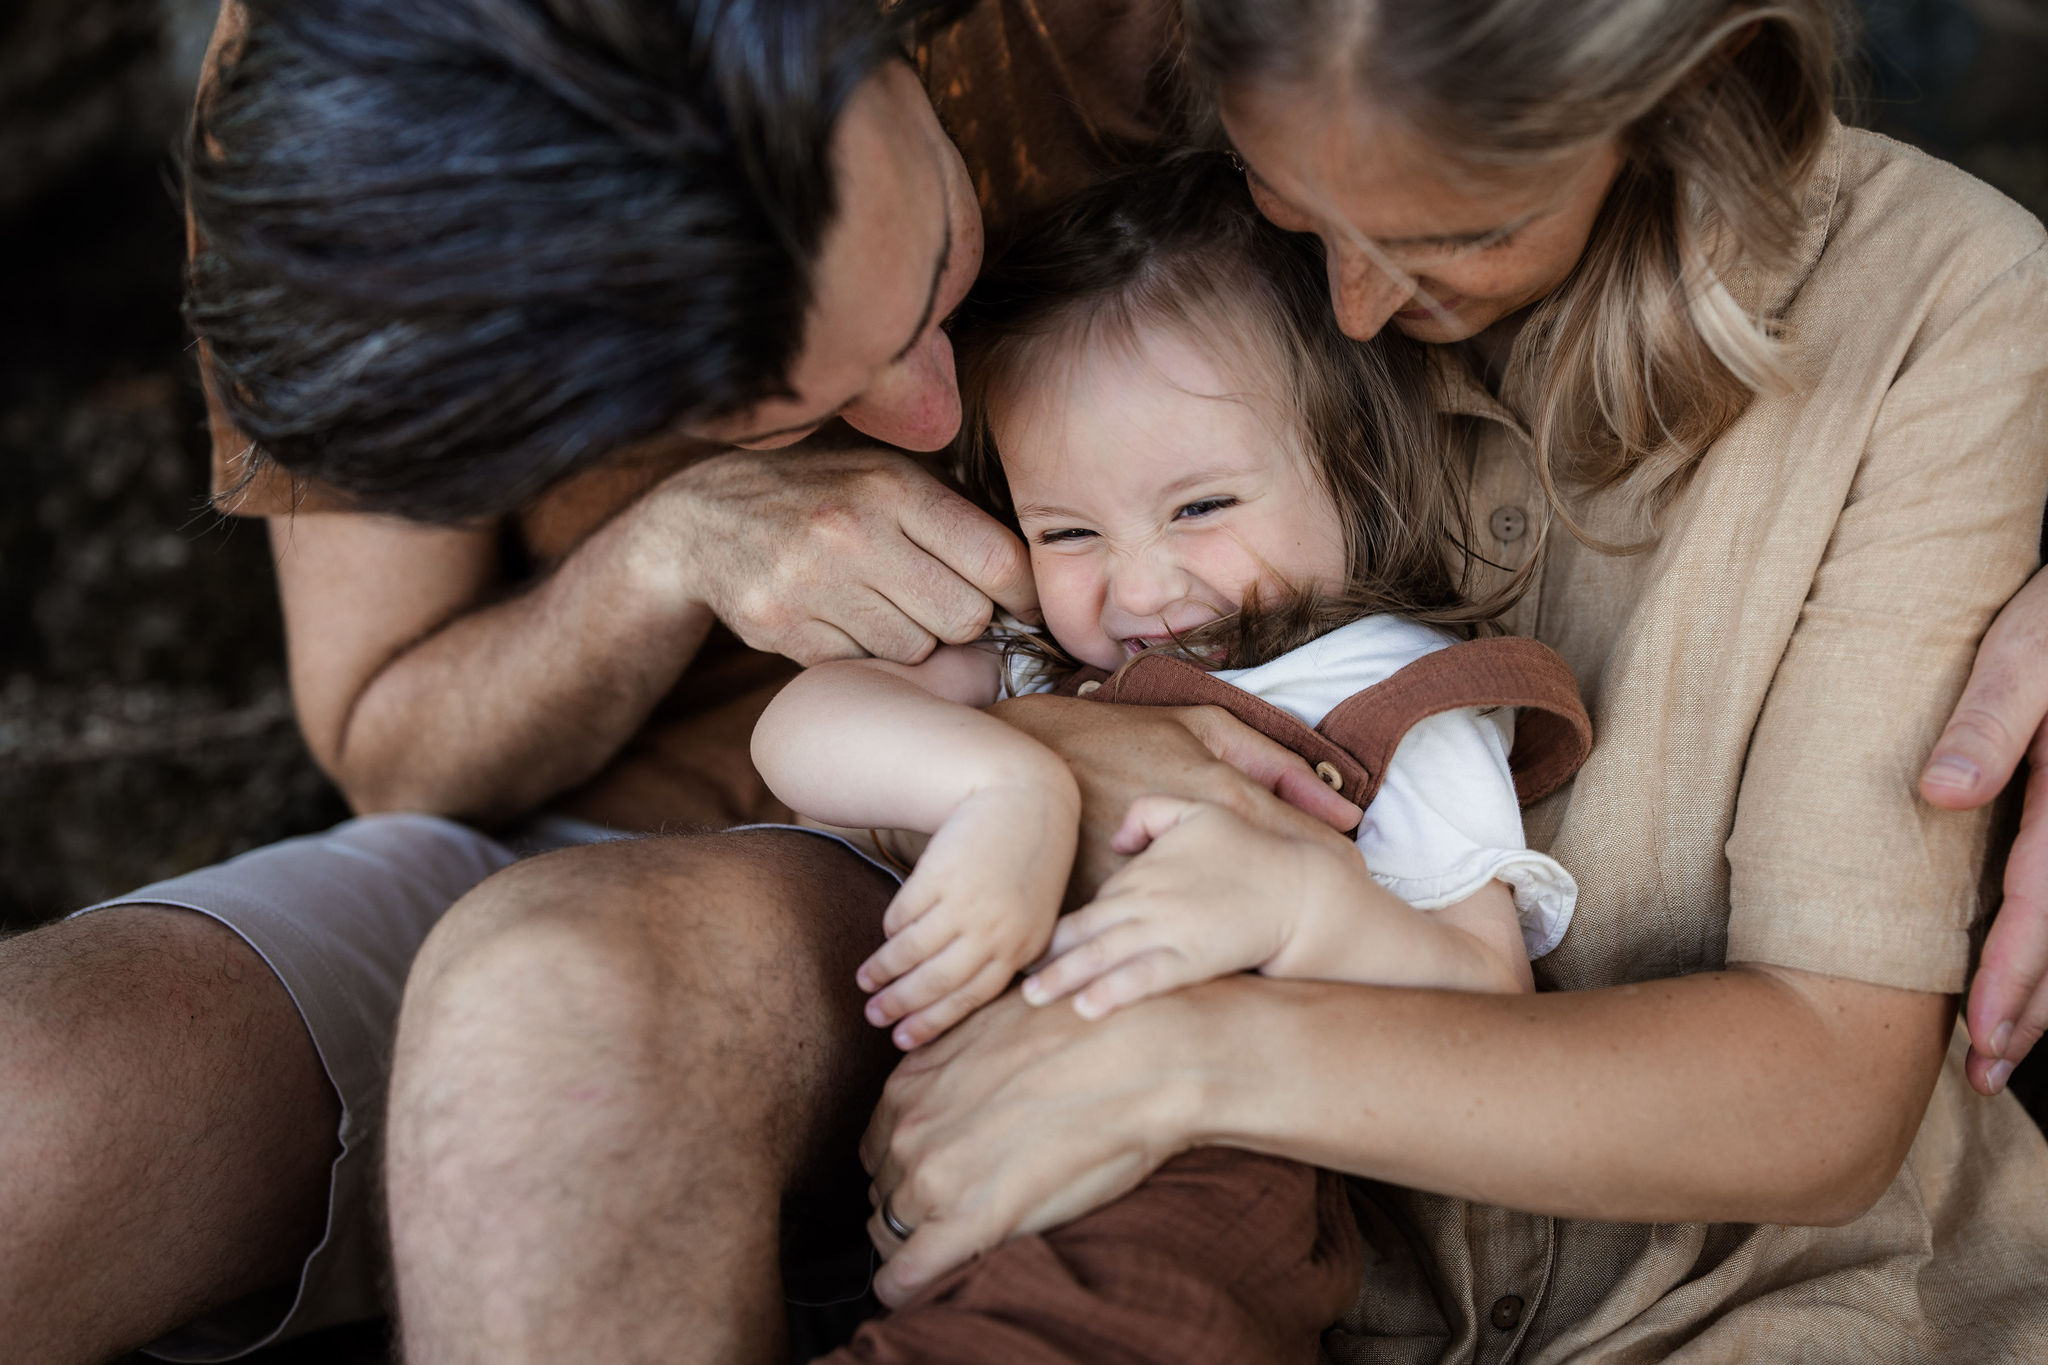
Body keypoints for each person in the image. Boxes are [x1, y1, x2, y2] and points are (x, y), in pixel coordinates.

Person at [0, 0, 2041, 1361]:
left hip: (913, 912)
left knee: (556, 1004)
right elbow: (384, 740)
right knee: (46, 1109)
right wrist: (675, 540)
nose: (925, 418)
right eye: (781, 398)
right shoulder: (365, 143)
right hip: (760, 823)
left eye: (945, 282)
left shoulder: (1198, 54)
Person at [852, 1, 2048, 1359]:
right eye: (1290, 208)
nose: (1353, 311)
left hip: (1777, 1298)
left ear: (1688, 94)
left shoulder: (1940, 299)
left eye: (1457, 234)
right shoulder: (1178, 266)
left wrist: (1184, 1061)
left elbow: (1827, 1084)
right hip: (1314, 1286)